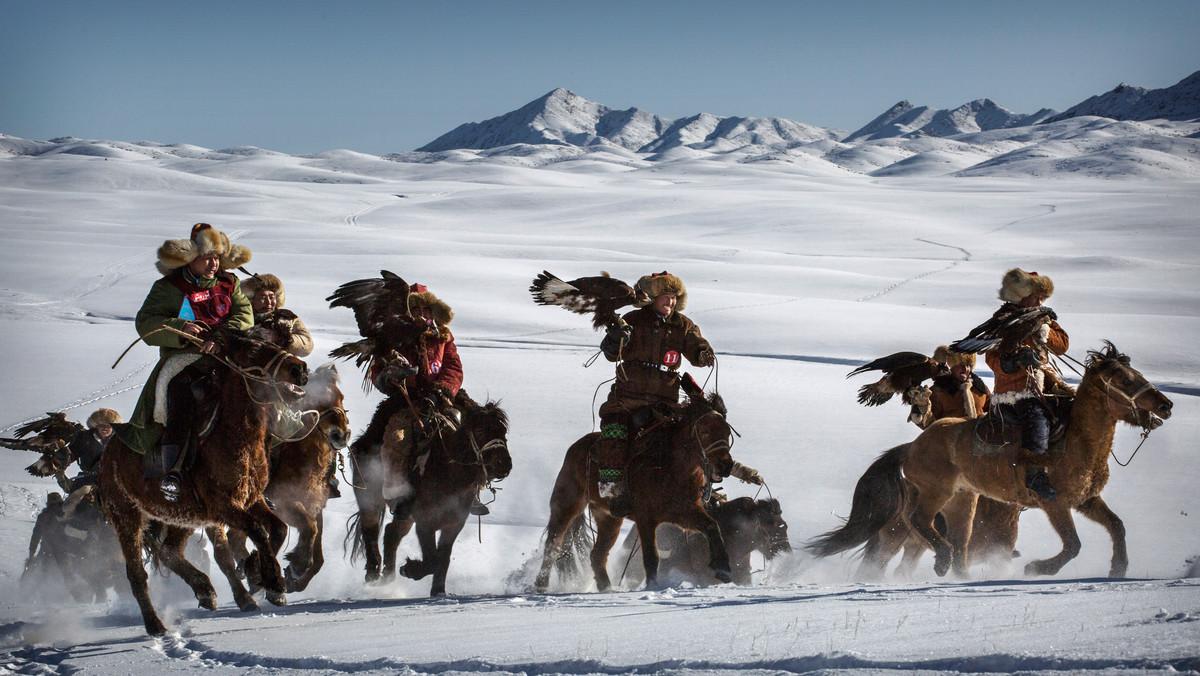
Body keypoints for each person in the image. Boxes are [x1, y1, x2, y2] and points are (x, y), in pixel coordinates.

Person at [122, 223, 253, 501]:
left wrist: (221, 337)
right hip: (184, 359)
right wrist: (179, 327)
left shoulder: (229, 283)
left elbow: (244, 315)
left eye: (217, 258)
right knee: (179, 397)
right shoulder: (168, 287)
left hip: (226, 355)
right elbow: (145, 322)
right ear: (190, 257)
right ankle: (174, 472)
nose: (213, 263)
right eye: (207, 257)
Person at [596, 271, 717, 517]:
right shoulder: (632, 319)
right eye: (665, 297)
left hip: (664, 403)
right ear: (652, 297)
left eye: (674, 298)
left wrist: (703, 352)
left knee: (688, 440)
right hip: (627, 398)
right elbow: (611, 353)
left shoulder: (682, 325)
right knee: (615, 436)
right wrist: (614, 341)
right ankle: (613, 492)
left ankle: (700, 489)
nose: (670, 302)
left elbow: (695, 343)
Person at [370, 283, 464, 518]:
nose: (421, 314)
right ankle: (397, 495)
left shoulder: (442, 335)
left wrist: (442, 390)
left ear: (433, 311)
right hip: (405, 399)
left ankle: (470, 488)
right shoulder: (394, 335)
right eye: (415, 310)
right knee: (396, 439)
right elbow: (378, 368)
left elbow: (453, 366)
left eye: (426, 309)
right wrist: (389, 377)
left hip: (440, 397)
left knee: (468, 430)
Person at [983, 268, 1068, 501]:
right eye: (1036, 297)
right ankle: (1034, 474)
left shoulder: (1044, 318)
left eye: (1043, 298)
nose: (1040, 302)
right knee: (1037, 418)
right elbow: (991, 359)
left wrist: (1044, 328)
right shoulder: (1002, 321)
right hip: (1015, 390)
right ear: (1022, 296)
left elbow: (1062, 346)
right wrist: (1016, 360)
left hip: (1045, 384)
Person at [908, 347, 991, 429]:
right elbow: (929, 425)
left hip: (978, 441)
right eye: (961, 365)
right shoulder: (938, 391)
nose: (965, 369)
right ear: (951, 366)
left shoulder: (980, 388)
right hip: (950, 441)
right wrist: (922, 408)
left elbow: (994, 411)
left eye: (968, 365)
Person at [240, 273, 315, 358]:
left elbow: (307, 346)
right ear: (251, 300)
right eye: (262, 298)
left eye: (271, 297)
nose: (268, 303)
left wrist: (286, 339)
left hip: (283, 367)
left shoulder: (287, 317)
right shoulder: (242, 318)